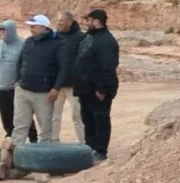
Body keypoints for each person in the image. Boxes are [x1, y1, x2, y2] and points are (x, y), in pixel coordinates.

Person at [12, 14, 69, 145]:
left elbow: (64, 68)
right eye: (30, 26)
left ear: (44, 27)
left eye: (34, 26)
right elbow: (20, 61)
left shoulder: (58, 44)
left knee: (45, 129)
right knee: (20, 126)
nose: (31, 29)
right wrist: (18, 80)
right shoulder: (28, 41)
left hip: (44, 94)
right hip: (23, 90)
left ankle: (44, 160)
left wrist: (56, 88)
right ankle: (15, 157)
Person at [73, 9, 120, 163]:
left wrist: (102, 89)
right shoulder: (90, 36)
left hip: (98, 89)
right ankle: (89, 148)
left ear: (96, 21)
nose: (86, 23)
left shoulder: (107, 41)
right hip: (85, 88)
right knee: (87, 119)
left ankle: (100, 151)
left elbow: (108, 67)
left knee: (100, 119)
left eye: (88, 20)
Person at [0, 20, 37, 142]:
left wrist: (21, 82)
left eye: (3, 30)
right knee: (5, 114)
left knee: (23, 114)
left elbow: (26, 66)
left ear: (10, 31)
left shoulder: (22, 45)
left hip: (16, 88)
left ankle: (33, 137)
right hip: (1, 87)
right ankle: (9, 136)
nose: (1, 33)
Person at [54, 11, 86, 143]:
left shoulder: (81, 37)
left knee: (77, 115)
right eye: (57, 20)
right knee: (54, 115)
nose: (58, 23)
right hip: (56, 85)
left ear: (70, 22)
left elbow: (85, 59)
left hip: (75, 84)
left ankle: (84, 142)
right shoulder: (54, 37)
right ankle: (53, 141)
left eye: (61, 20)